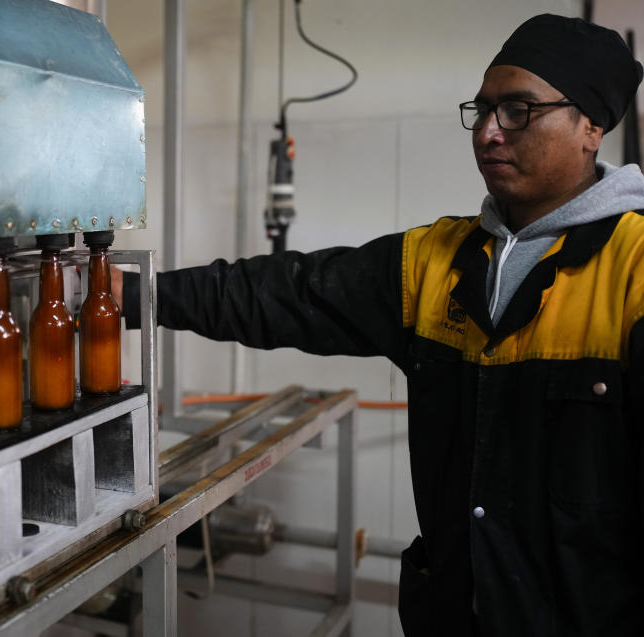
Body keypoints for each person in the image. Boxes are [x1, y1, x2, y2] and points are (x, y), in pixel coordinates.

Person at [116, 14, 644, 637]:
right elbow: (282, 293)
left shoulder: (632, 272)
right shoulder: (434, 261)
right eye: (481, 110)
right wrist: (130, 293)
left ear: (592, 127)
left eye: (519, 110)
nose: (488, 134)